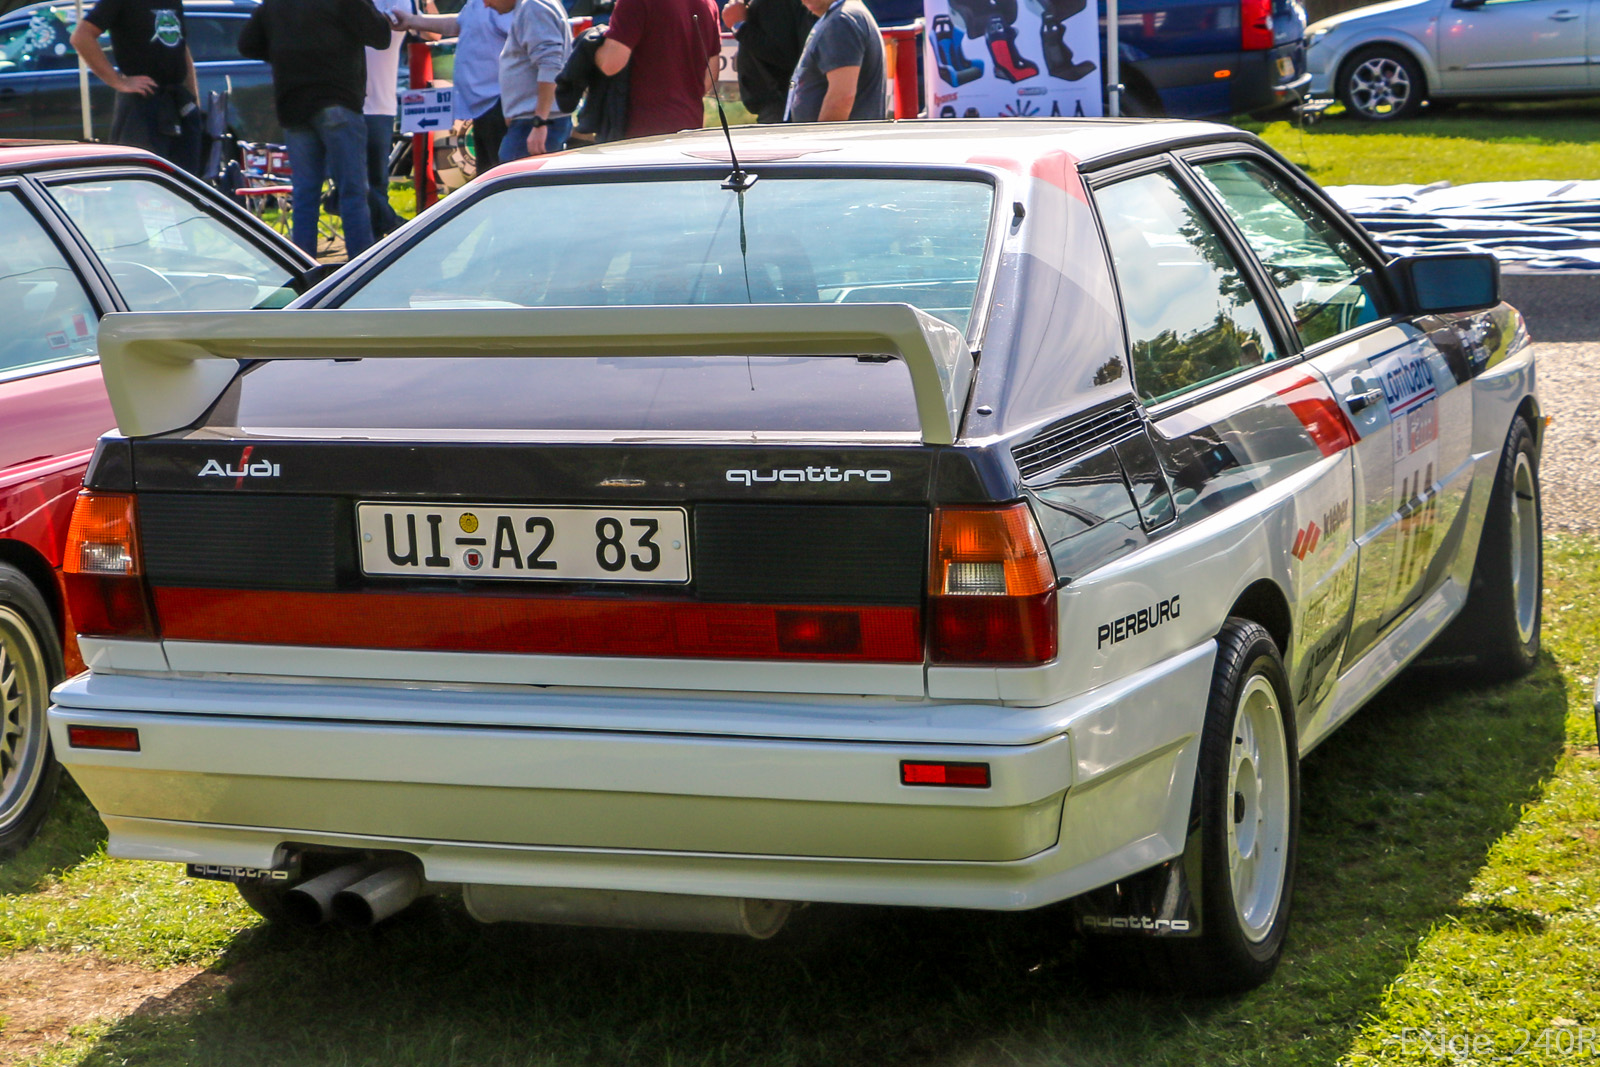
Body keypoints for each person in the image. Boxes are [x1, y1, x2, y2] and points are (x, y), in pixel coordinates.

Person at [238, 0, 391, 259]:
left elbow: (247, 44)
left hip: (294, 104)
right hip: (337, 99)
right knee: (352, 191)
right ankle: (360, 267)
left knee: (305, 195)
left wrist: (282, 54)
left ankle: (303, 265)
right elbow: (380, 36)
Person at [70, 0, 202, 173]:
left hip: (178, 102)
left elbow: (180, 46)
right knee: (142, 179)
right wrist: (118, 81)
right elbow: (81, 37)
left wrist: (193, 98)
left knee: (186, 180)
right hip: (143, 104)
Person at [397, 0, 513, 173]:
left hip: (501, 104)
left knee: (502, 177)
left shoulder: (509, 5)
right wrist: (411, 21)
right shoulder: (480, 3)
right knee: (489, 177)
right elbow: (459, 23)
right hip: (484, 105)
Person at [593, 0, 719, 140]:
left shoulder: (634, 3)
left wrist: (589, 47)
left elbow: (610, 64)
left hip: (640, 135)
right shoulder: (708, 3)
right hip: (689, 128)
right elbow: (710, 74)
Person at [496, 0, 574, 160]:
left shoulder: (533, 6)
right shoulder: (534, 5)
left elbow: (550, 64)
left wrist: (540, 121)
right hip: (537, 121)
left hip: (537, 124)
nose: (485, 4)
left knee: (516, 182)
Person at [785, 0, 884, 123]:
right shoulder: (842, 16)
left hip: (841, 140)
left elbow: (842, 98)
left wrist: (822, 138)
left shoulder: (842, 21)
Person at [721, 0, 814, 126]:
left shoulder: (774, 4)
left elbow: (784, 54)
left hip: (781, 104)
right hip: (782, 103)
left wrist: (739, 26)